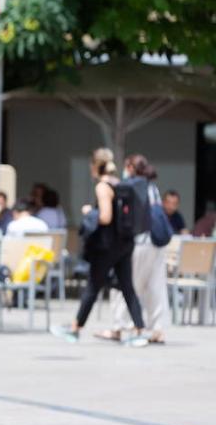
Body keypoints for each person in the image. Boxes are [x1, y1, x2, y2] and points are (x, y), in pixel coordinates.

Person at [51, 148, 149, 348]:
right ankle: (140, 331)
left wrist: (89, 212)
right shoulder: (119, 183)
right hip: (125, 242)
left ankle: (75, 328)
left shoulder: (103, 186)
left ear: (96, 165)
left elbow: (105, 216)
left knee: (93, 287)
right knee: (127, 287)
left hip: (107, 245)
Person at [101, 155, 170, 344]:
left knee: (125, 285)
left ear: (131, 167)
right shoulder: (152, 187)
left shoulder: (130, 186)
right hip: (156, 243)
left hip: (138, 242)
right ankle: (157, 329)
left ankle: (119, 327)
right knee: (155, 287)